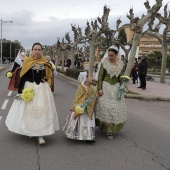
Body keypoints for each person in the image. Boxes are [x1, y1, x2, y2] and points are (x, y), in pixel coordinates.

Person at [5, 42, 60, 145]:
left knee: (42, 110)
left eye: (39, 50)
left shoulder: (45, 62)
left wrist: (48, 84)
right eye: (35, 49)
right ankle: (30, 130)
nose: (37, 51)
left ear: (41, 51)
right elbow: (23, 76)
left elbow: (48, 76)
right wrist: (21, 91)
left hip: (42, 89)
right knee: (29, 110)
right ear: (32, 50)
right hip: (29, 88)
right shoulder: (27, 61)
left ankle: (40, 135)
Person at [94, 45, 127, 139]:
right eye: (109, 55)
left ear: (116, 55)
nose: (110, 57)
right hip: (105, 88)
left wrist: (123, 86)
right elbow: (100, 76)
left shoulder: (121, 64)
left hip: (116, 89)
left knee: (114, 109)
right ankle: (102, 125)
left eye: (112, 55)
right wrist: (99, 88)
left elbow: (121, 77)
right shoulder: (104, 63)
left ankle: (110, 130)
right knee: (104, 108)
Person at [63, 71, 98, 142]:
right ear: (86, 78)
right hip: (80, 108)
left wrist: (94, 97)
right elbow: (77, 98)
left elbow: (94, 95)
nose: (92, 77)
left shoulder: (90, 87)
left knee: (88, 122)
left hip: (88, 109)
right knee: (80, 122)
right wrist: (81, 104)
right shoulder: (81, 87)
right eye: (90, 76)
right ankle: (74, 134)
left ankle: (88, 137)